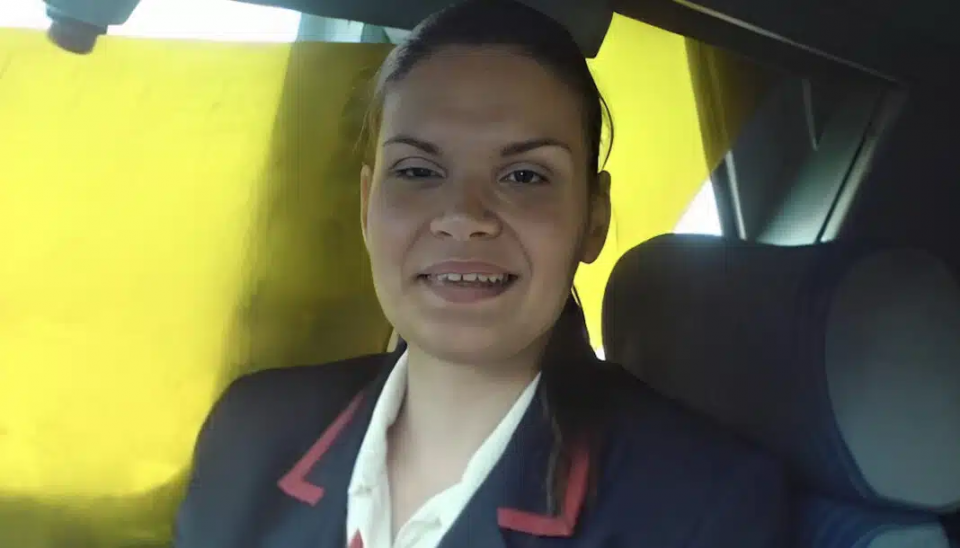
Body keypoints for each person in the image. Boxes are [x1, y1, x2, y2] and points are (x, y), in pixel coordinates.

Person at [173, 1, 789, 547]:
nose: (463, 218)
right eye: (418, 171)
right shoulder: (251, 435)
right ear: (367, 207)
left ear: (593, 221)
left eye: (524, 176)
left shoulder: (703, 509)